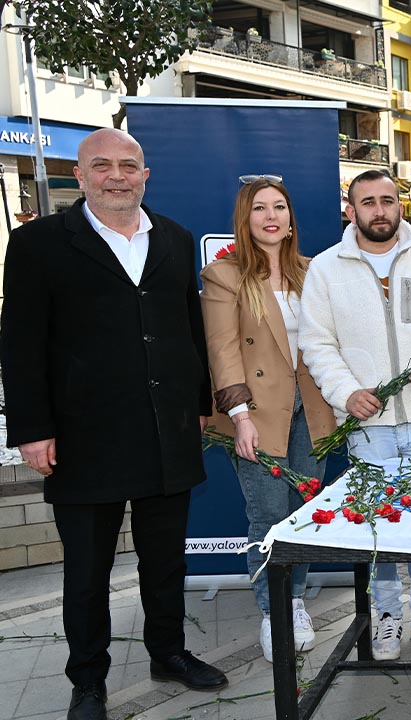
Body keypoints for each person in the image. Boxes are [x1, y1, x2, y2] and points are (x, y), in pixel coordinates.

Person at [1, 129, 228, 720]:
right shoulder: (38, 244)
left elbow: (189, 331)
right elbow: (20, 345)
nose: (117, 175)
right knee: (87, 572)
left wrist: (199, 403)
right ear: (79, 175)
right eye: (101, 166)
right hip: (82, 438)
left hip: (166, 430)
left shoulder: (174, 240)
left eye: (129, 165)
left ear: (146, 175)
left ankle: (169, 653)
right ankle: (88, 683)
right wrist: (31, 428)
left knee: (164, 560)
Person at [299, 169, 411, 661]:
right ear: (350, 210)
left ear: (400, 205)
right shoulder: (327, 269)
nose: (380, 210)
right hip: (368, 427)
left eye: (388, 200)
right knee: (378, 525)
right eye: (368, 202)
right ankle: (387, 616)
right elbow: (316, 343)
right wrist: (346, 393)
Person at [200, 176, 336, 662]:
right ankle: (272, 610)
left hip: (311, 409)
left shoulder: (313, 270)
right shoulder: (225, 275)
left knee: (302, 512)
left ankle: (294, 600)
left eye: (280, 206)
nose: (272, 216)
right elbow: (223, 349)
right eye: (260, 208)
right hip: (255, 412)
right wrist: (240, 417)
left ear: (291, 217)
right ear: (245, 216)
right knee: (267, 516)